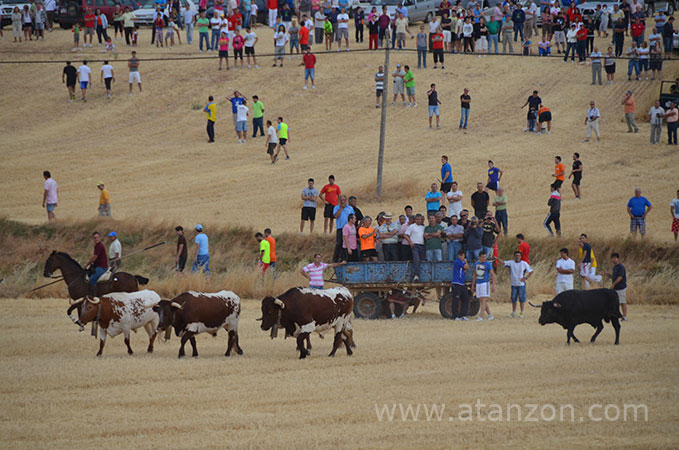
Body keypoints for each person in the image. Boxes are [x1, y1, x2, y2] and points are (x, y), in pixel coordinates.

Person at [498, 251, 533, 318]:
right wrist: (497, 258)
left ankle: (521, 312)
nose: (517, 257)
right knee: (513, 298)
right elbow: (503, 262)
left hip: (521, 284)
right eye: (516, 255)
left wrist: (526, 277)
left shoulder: (524, 263)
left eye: (518, 255)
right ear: (514, 256)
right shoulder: (511, 263)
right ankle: (513, 312)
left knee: (521, 299)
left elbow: (531, 271)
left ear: (520, 256)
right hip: (513, 284)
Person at [472, 251, 495, 321]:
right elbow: (475, 274)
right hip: (478, 283)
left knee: (483, 300)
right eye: (483, 257)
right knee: (482, 301)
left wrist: (493, 284)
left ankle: (481, 316)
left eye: (485, 257)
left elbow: (493, 274)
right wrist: (473, 285)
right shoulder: (476, 264)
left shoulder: (488, 264)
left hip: (484, 283)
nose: (484, 258)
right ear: (479, 257)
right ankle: (490, 315)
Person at [332, 195, 355, 262]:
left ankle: (345, 257)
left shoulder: (350, 208)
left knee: (348, 242)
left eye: (344, 200)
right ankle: (336, 258)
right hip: (340, 227)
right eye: (341, 200)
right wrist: (341, 208)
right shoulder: (336, 208)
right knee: (339, 243)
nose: (342, 201)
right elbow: (335, 216)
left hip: (349, 227)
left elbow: (352, 216)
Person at [607, 252, 628, 320]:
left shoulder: (621, 267)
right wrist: (607, 274)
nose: (613, 260)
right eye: (612, 258)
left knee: (622, 302)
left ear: (618, 259)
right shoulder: (615, 267)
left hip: (621, 287)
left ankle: (624, 316)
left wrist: (613, 284)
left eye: (615, 258)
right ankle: (616, 315)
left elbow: (620, 277)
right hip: (615, 288)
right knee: (615, 302)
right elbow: (614, 277)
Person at [405, 214, 426, 281]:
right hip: (415, 245)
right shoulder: (412, 226)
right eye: (417, 219)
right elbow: (405, 235)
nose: (418, 221)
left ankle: (422, 276)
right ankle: (416, 275)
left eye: (420, 219)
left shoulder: (423, 227)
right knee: (416, 260)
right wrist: (410, 242)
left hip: (422, 245)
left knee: (422, 260)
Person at [450, 250, 470, 321]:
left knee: (466, 299)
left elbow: (466, 269)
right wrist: (466, 261)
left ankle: (463, 315)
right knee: (456, 300)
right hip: (456, 283)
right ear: (458, 256)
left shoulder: (462, 262)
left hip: (462, 283)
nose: (461, 257)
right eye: (460, 255)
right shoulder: (457, 262)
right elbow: (467, 267)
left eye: (463, 255)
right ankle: (455, 316)